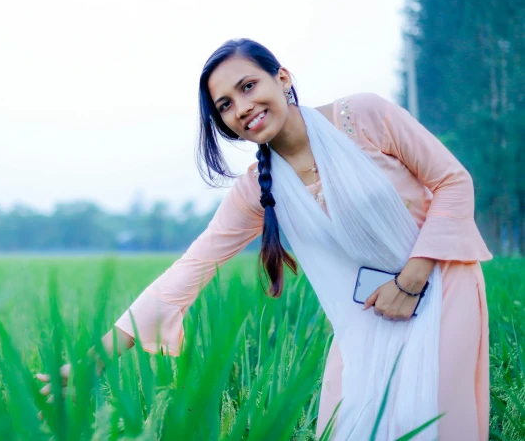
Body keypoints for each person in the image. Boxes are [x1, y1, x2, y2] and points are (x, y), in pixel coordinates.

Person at [36, 39, 491, 440]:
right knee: (353, 423)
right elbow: (188, 272)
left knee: (430, 418)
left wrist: (410, 281)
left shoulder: (363, 117)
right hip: (368, 315)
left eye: (248, 86)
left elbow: (453, 181)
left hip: (441, 285)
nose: (242, 108)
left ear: (282, 77)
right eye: (226, 105)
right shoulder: (257, 190)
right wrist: (92, 363)